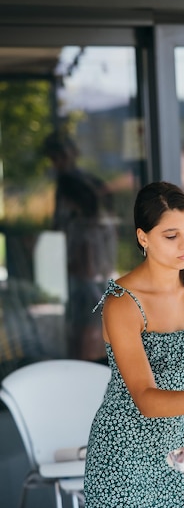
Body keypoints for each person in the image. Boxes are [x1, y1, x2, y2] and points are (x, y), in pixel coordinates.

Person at [62, 181, 184, 508]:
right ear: (142, 237)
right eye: (171, 235)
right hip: (122, 452)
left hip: (178, 450)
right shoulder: (121, 301)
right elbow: (146, 398)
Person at [43, 131, 117, 362]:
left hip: (86, 269)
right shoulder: (82, 183)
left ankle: (82, 366)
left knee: (86, 326)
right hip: (87, 269)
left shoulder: (74, 184)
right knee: (83, 323)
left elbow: (81, 226)